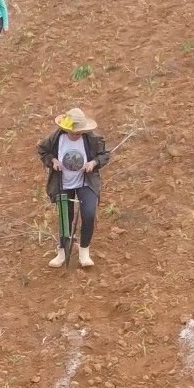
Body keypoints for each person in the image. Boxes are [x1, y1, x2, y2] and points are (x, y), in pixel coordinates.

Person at [37, 107, 111, 269]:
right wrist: (53, 161)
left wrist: (93, 163)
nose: (75, 135)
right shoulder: (56, 138)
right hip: (63, 183)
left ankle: (84, 251)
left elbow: (104, 154)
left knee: (89, 214)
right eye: (73, 132)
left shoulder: (92, 139)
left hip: (86, 181)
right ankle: (62, 251)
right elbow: (43, 151)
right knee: (65, 217)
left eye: (78, 133)